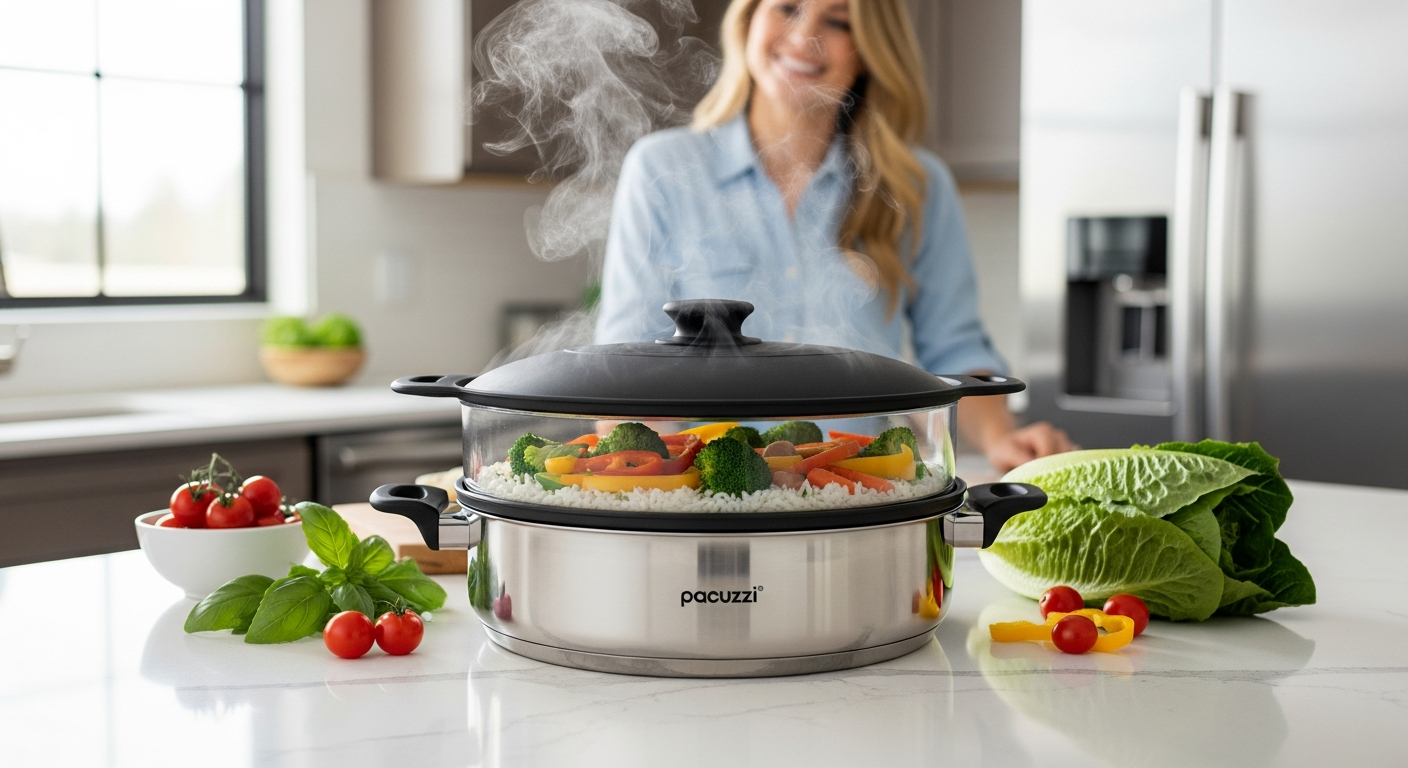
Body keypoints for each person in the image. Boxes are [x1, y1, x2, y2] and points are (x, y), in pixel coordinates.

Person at [593, 0, 1073, 473]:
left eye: (839, 21)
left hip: (864, 491)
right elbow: (620, 371)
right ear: (747, 21)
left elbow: (955, 351)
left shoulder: (916, 186)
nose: (805, 37)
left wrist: (1002, 438)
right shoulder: (662, 170)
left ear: (868, 49)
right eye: (786, 7)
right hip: (708, 497)